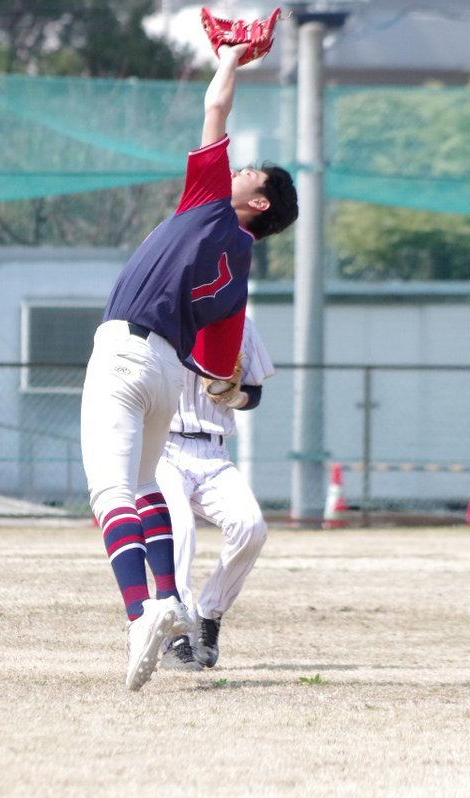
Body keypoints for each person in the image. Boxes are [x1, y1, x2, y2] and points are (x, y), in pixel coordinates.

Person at [80, 43, 298, 691]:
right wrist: (229, 385)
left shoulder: (206, 203)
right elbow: (218, 365)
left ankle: (141, 614)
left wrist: (229, 57)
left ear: (258, 204)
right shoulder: (241, 276)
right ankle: (172, 600)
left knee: (112, 494)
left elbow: (215, 106)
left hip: (125, 351)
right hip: (167, 376)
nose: (239, 171)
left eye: (250, 175)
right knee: (148, 488)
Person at [155, 316, 274, 671]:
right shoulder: (160, 320)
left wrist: (236, 396)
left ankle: (209, 612)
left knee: (251, 527)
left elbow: (254, 392)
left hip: (213, 450)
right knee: (179, 532)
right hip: (163, 447)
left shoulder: (240, 324)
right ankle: (175, 636)